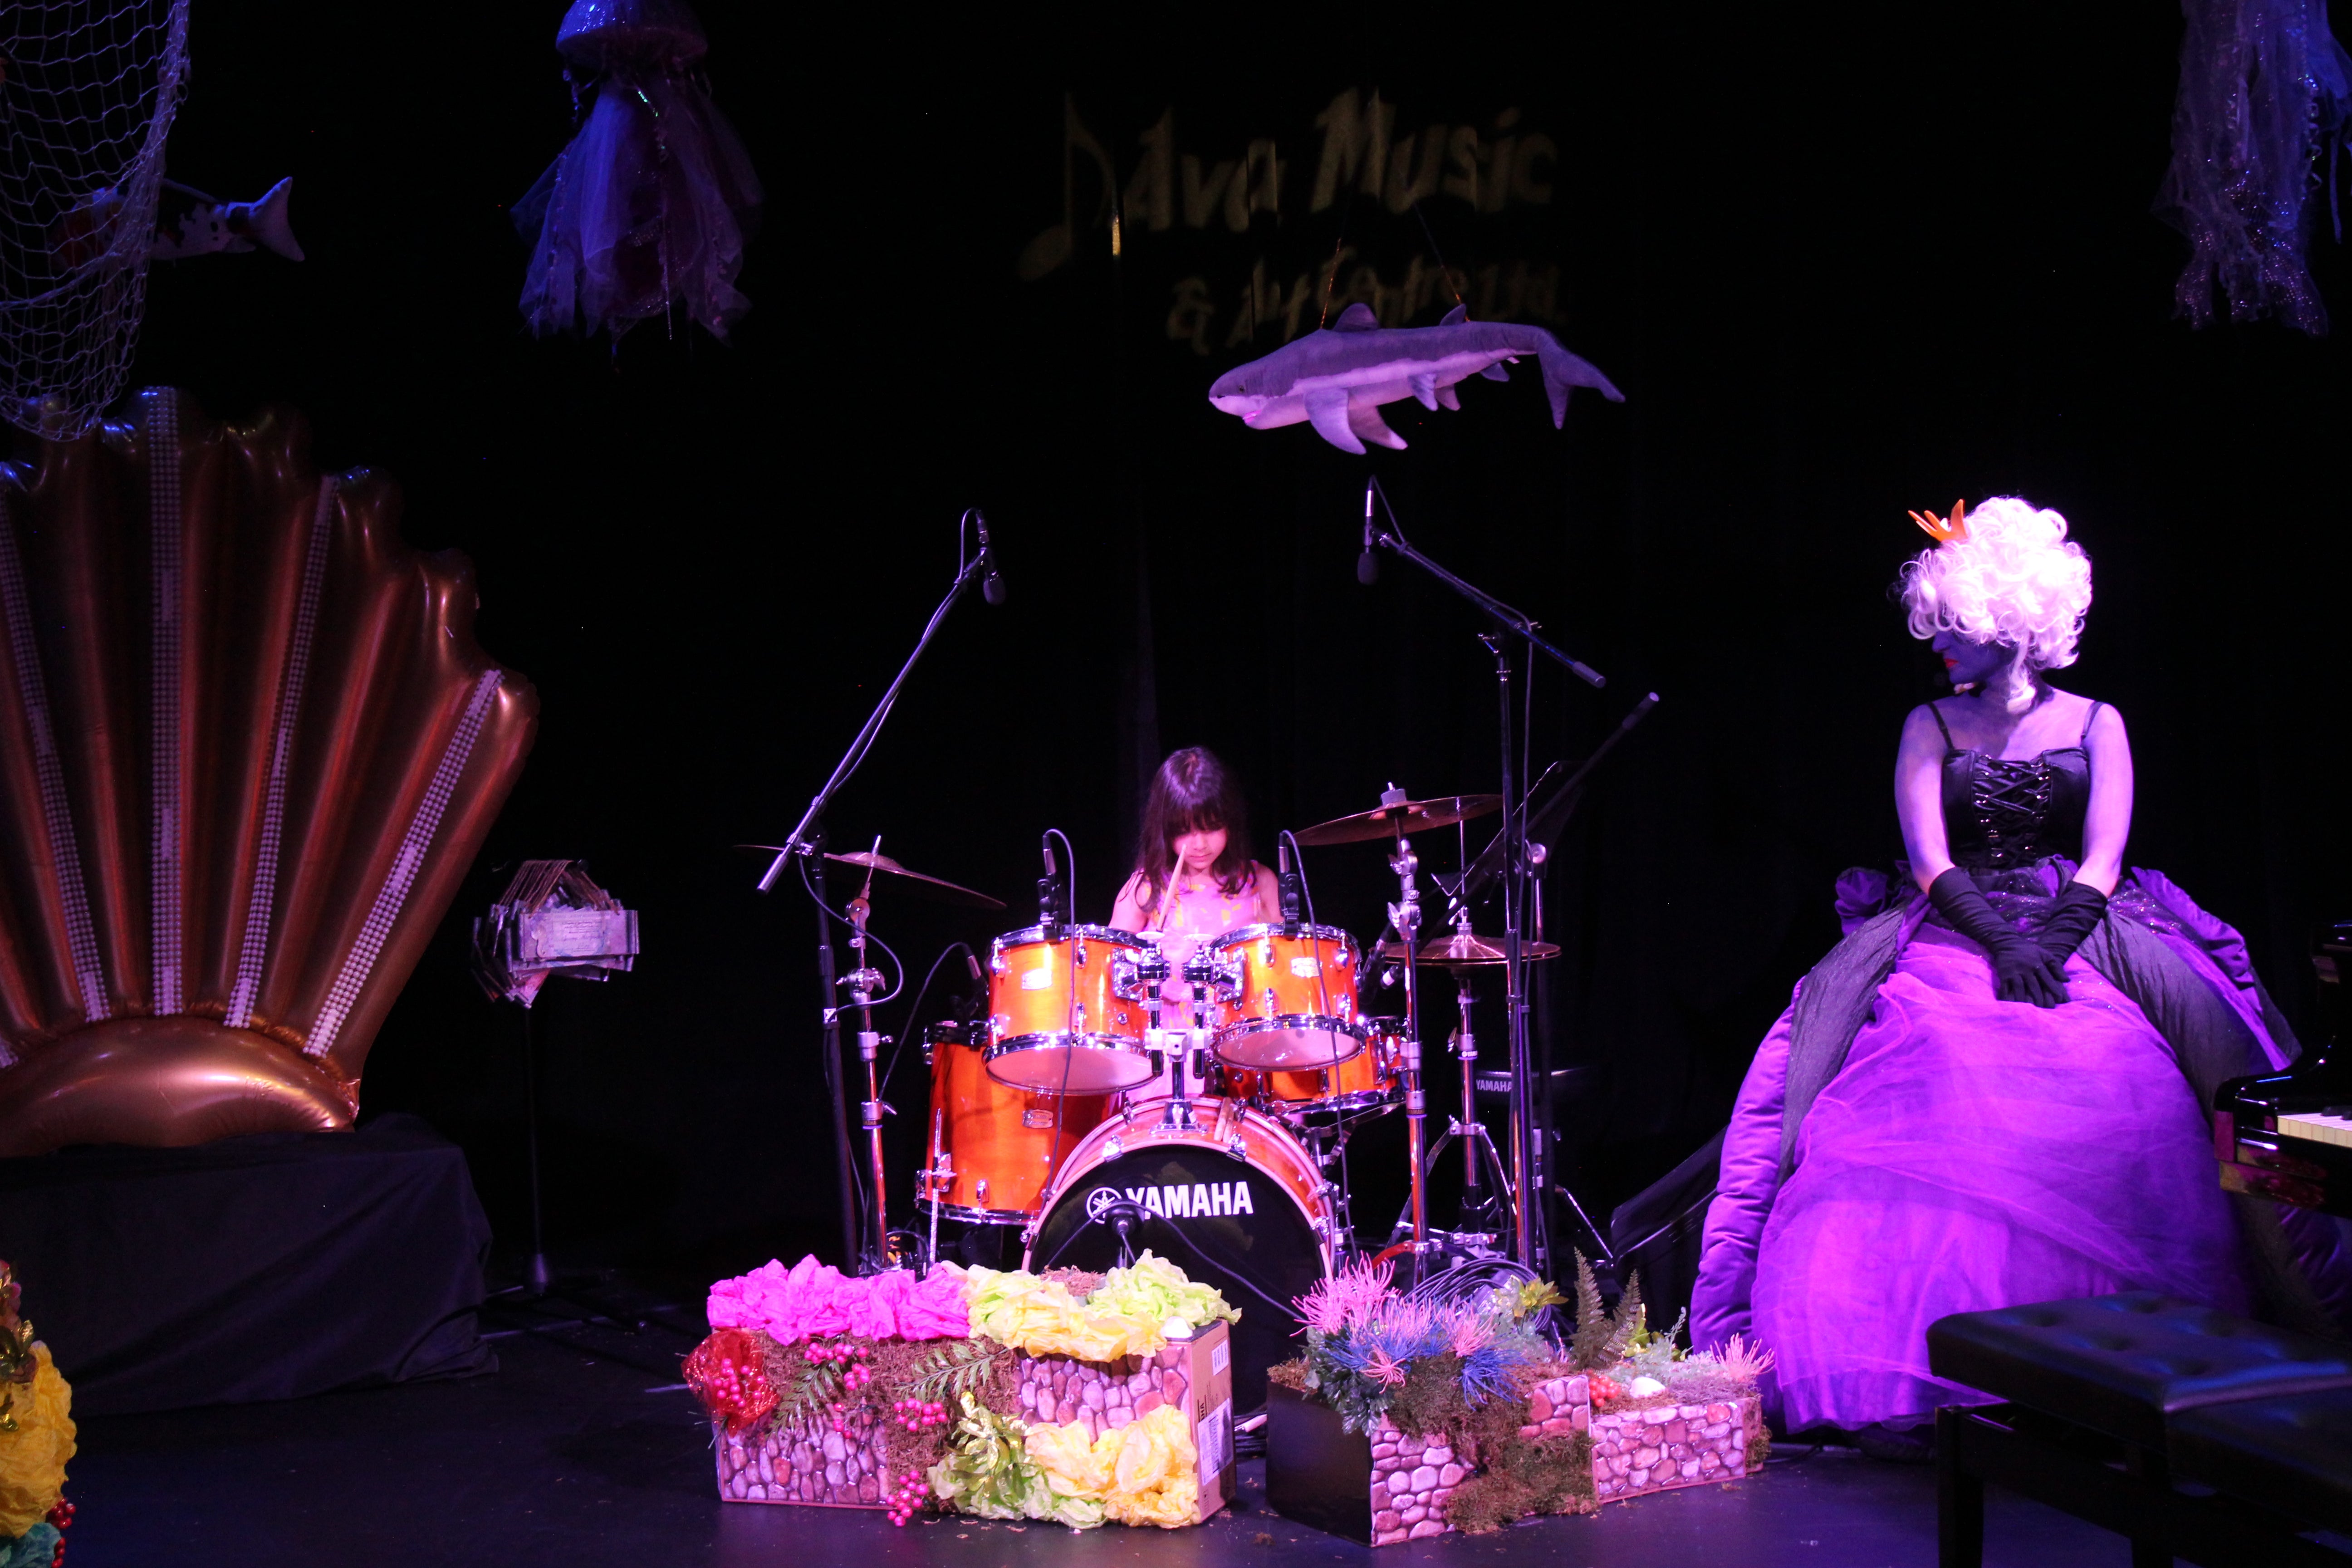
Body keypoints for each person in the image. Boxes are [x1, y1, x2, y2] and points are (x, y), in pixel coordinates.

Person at [1689, 496, 2351, 1460]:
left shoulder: (2097, 721)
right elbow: (1928, 857)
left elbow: (2104, 853)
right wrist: (2002, 943)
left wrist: (2062, 932)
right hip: (1960, 929)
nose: (1942, 648)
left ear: (2010, 628)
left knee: (2196, 1068)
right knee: (1909, 1076)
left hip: (2085, 926)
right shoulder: (1930, 721)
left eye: (1959, 631)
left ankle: (2235, 1326)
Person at [1109, 747, 1281, 1005]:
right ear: (1164, 830)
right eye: (1184, 831)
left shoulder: (1260, 883)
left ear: (1230, 822)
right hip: (1165, 1038)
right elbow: (1110, 966)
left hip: (1241, 1036)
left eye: (1211, 828)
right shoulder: (1144, 888)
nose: (1199, 844)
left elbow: (1284, 968)